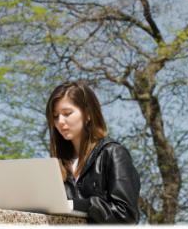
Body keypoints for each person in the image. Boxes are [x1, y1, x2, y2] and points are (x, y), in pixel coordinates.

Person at [45, 81, 140, 228]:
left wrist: (81, 205)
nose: (60, 121)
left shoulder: (113, 153)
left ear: (88, 113)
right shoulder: (58, 164)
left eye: (67, 113)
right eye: (55, 116)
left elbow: (126, 215)